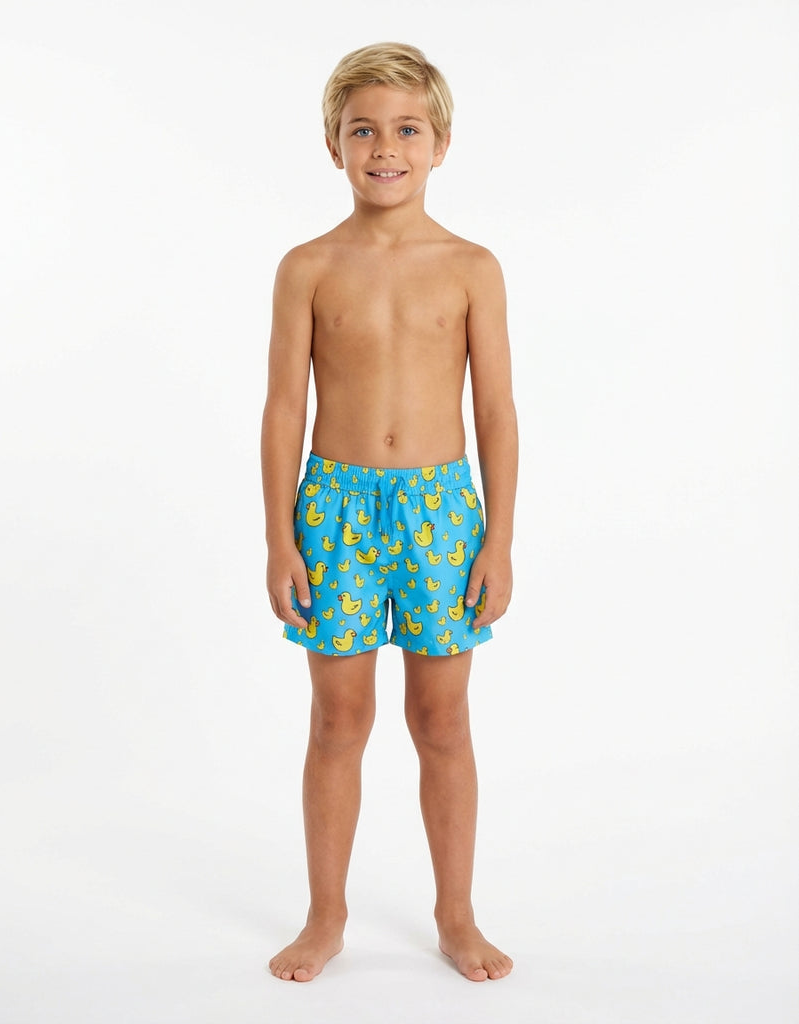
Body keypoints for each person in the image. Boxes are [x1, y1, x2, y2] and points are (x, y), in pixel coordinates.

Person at [261, 41, 518, 983]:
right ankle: (325, 915)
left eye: (406, 129)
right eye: (362, 129)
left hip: (440, 513)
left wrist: (498, 540)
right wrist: (279, 539)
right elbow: (283, 408)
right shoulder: (307, 267)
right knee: (337, 720)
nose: (384, 148)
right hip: (334, 509)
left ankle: (456, 914)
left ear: (439, 144)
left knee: (441, 721)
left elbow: (496, 410)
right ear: (332, 145)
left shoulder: (471, 267)